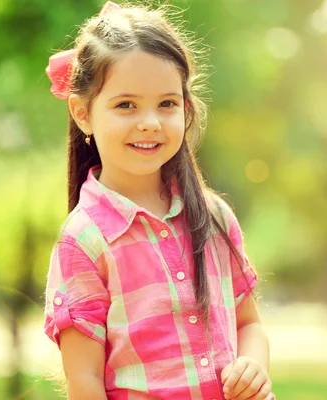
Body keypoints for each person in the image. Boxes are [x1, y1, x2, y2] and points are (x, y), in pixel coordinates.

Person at [43, 2, 274, 399]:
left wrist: (253, 365)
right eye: (126, 105)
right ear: (83, 113)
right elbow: (85, 383)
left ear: (185, 109)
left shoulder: (214, 216)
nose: (150, 121)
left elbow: (248, 323)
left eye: (166, 103)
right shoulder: (85, 241)